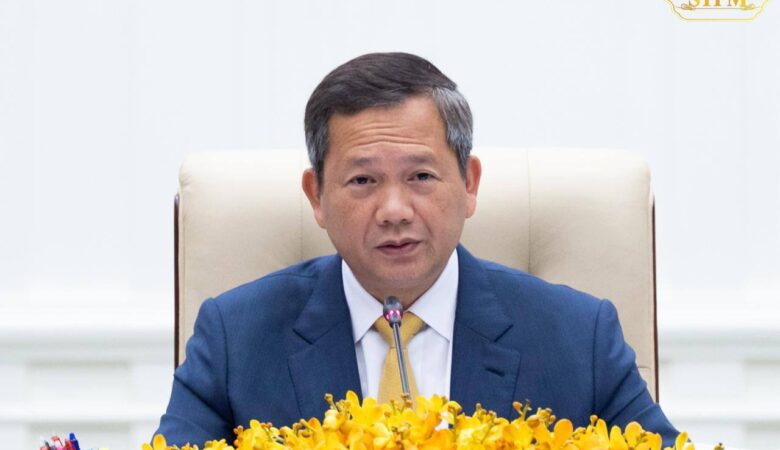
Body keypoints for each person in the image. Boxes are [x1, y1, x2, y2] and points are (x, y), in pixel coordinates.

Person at [155, 52, 678, 445]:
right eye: (362, 180)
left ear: (469, 184)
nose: (394, 210)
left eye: (421, 176)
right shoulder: (236, 337)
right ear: (316, 196)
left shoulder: (578, 337)